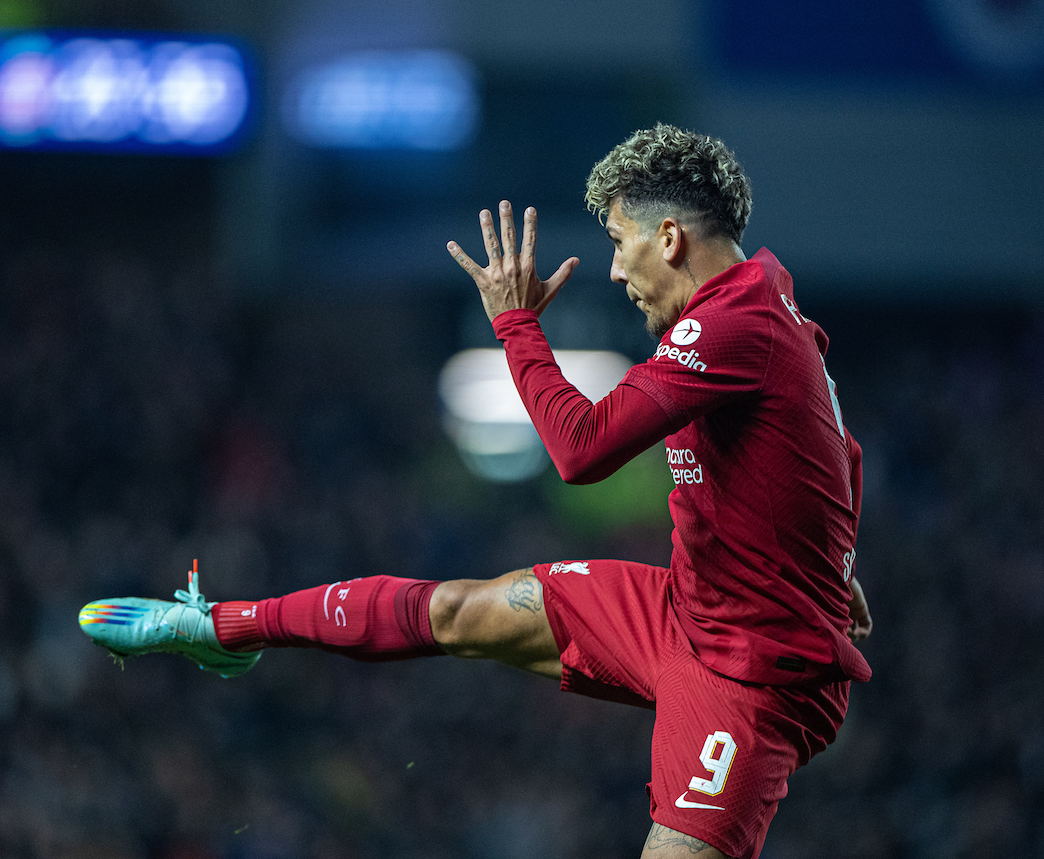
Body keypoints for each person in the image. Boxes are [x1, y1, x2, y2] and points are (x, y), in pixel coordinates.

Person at [79, 122, 873, 859]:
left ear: (669, 238)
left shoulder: (731, 323)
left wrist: (516, 325)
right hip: (689, 611)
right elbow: (836, 446)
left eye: (619, 241)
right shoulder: (770, 305)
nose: (613, 267)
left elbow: (581, 449)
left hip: (751, 676)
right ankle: (222, 628)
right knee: (459, 609)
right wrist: (831, 568)